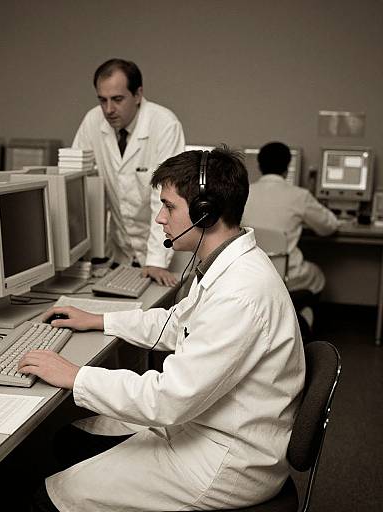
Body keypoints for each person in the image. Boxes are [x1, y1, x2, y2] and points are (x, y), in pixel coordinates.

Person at [18, 147, 305, 511]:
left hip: (226, 459)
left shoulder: (240, 293)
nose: (159, 218)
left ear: (206, 213)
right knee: (70, 442)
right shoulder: (230, 265)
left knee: (49, 498)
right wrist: (101, 320)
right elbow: (177, 323)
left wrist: (77, 376)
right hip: (208, 424)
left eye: (168, 206)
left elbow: (169, 398)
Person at [72, 58, 185, 286]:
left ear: (138, 94)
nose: (108, 110)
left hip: (162, 252)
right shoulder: (92, 121)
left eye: (117, 99)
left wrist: (156, 260)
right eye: (102, 100)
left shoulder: (164, 125)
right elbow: (74, 183)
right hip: (119, 252)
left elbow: (165, 199)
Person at [242, 141, 339, 301]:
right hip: (286, 275)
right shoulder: (299, 196)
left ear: (259, 167)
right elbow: (329, 227)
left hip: (250, 270)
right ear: (287, 167)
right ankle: (303, 318)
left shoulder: (244, 193)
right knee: (317, 275)